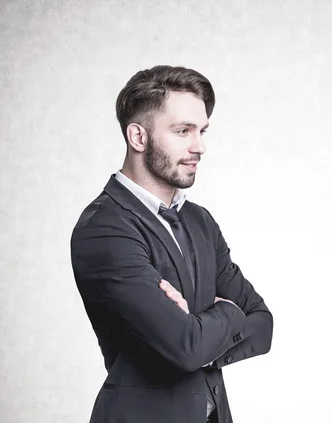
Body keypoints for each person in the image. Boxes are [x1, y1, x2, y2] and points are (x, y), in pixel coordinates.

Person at [70, 65, 273, 423]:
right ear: (138, 137)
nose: (200, 147)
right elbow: (186, 346)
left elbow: (262, 323)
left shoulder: (200, 221)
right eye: (183, 131)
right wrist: (226, 312)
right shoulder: (104, 227)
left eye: (202, 131)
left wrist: (199, 328)